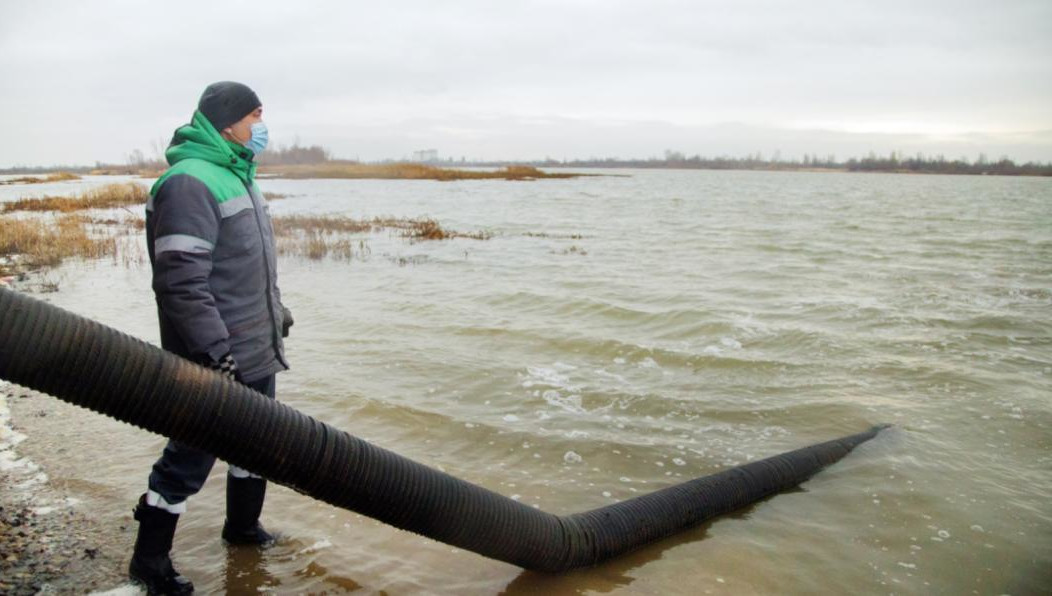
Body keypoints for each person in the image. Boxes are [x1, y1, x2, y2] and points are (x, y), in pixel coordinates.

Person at [131, 81, 292, 595]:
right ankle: (149, 562)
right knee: (188, 460)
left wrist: (276, 313)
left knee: (256, 448)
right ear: (227, 122)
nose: (262, 126)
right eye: (256, 115)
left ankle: (242, 531)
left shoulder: (238, 174)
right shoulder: (189, 182)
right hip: (213, 359)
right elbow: (181, 282)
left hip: (256, 350)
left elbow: (244, 265)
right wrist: (214, 354)